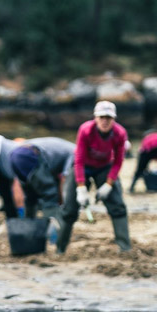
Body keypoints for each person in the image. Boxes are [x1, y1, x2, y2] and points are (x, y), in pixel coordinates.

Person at [58, 101, 130, 253]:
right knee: (69, 209)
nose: (105, 121)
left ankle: (125, 248)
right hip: (83, 166)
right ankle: (60, 248)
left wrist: (109, 184)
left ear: (114, 119)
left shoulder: (120, 133)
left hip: (105, 166)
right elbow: (79, 160)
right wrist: (81, 187)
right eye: (101, 117)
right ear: (95, 118)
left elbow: (118, 161)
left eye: (108, 118)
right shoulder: (86, 130)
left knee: (118, 206)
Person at [9, 136, 75, 233]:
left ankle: (28, 229)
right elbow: (65, 179)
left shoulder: (64, 148)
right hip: (30, 155)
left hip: (15, 154)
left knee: (31, 196)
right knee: (49, 194)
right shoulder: (75, 152)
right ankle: (51, 231)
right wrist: (61, 201)